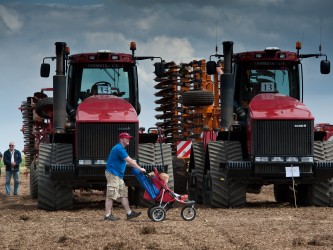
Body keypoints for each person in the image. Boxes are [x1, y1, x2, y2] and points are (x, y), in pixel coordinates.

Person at [104, 132, 146, 221]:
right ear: (121, 139)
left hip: (118, 175)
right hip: (113, 174)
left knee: (123, 194)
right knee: (111, 195)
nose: (128, 139)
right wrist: (140, 168)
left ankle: (129, 213)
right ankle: (107, 216)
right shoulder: (119, 148)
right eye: (126, 138)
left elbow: (129, 160)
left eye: (129, 138)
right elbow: (130, 161)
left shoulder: (121, 149)